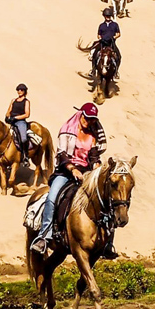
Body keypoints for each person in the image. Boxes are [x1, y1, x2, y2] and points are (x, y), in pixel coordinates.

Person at [30, 102, 118, 259]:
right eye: (87, 117)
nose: (89, 121)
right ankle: (44, 236)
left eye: (92, 119)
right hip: (65, 172)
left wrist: (96, 165)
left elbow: (93, 156)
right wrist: (73, 169)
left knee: (106, 197)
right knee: (52, 198)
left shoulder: (92, 136)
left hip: (86, 173)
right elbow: (62, 154)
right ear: (81, 114)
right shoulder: (67, 131)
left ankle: (108, 242)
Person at [92, 7, 122, 79]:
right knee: (94, 55)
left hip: (111, 44)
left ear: (110, 16)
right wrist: (100, 38)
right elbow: (98, 34)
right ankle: (93, 70)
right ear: (104, 16)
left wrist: (114, 37)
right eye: (106, 16)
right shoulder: (101, 25)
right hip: (103, 43)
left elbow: (118, 34)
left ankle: (116, 72)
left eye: (108, 16)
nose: (107, 17)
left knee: (119, 56)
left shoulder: (115, 25)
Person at [6, 83, 31, 167]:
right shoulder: (13, 100)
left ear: (25, 91)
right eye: (18, 89)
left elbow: (27, 114)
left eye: (21, 90)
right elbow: (9, 110)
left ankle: (25, 156)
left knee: (23, 138)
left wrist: (16, 118)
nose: (19, 91)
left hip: (20, 122)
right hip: (11, 121)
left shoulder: (26, 101)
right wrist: (7, 117)